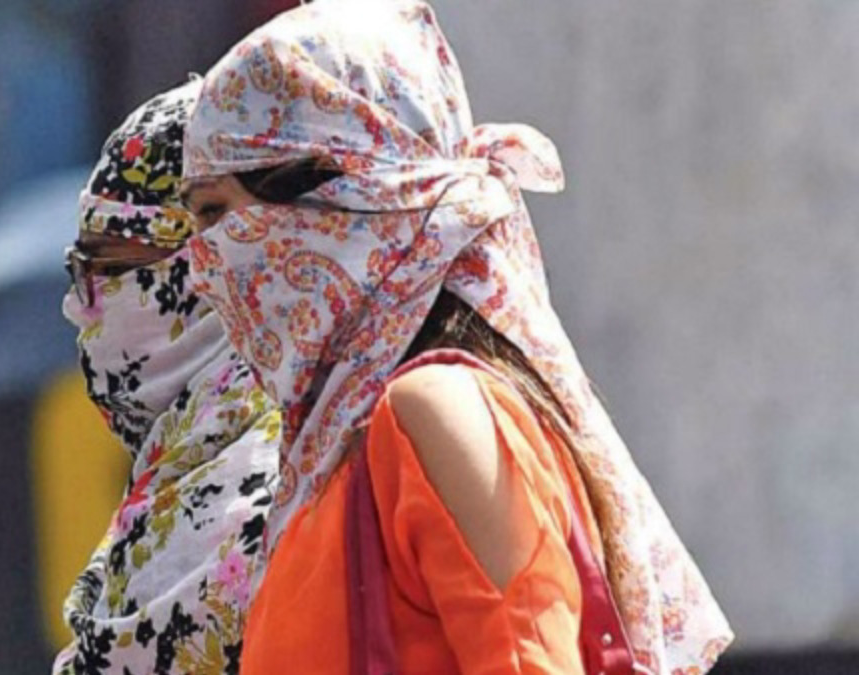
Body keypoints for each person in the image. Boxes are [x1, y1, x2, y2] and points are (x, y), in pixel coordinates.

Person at [179, 1, 734, 672]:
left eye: (215, 212)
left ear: (343, 196)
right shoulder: (337, 449)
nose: (201, 267)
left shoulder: (434, 409)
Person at [54, 80, 280, 674]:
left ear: (204, 269)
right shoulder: (189, 458)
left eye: (108, 269)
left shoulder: (266, 477)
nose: (78, 307)